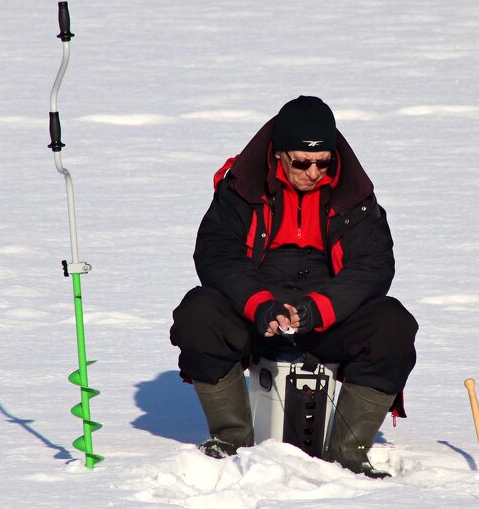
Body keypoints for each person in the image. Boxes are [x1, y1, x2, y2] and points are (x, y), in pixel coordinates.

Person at [170, 95, 418, 478]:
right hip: (257, 318)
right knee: (197, 313)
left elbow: (373, 266)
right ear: (278, 155)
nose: (315, 172)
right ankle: (232, 439)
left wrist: (317, 309)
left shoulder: (355, 195)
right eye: (302, 163)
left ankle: (348, 452)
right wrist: (260, 305)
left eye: (324, 162)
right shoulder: (240, 190)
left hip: (326, 320)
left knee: (394, 324)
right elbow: (216, 254)